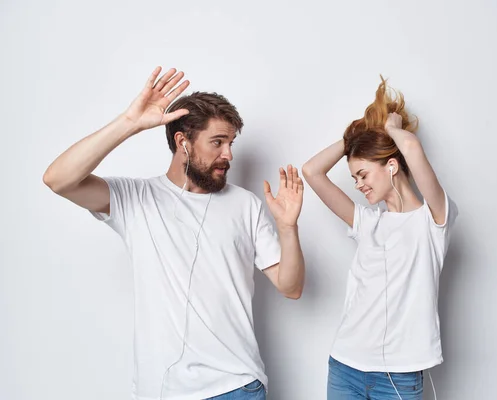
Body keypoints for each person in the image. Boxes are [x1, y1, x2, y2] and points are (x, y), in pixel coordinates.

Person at [43, 67, 305, 400]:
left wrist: (288, 227)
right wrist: (129, 123)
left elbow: (291, 286)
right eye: (218, 142)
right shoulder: (136, 199)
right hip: (162, 390)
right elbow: (58, 179)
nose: (229, 154)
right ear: (183, 142)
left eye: (231, 143)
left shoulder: (245, 205)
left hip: (236, 387)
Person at [302, 77, 458, 400]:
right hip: (345, 366)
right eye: (354, 177)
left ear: (391, 166)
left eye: (362, 174)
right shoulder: (367, 222)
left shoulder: (433, 219)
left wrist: (392, 127)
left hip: (398, 378)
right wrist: (352, 142)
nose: (357, 185)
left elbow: (412, 148)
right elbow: (311, 171)